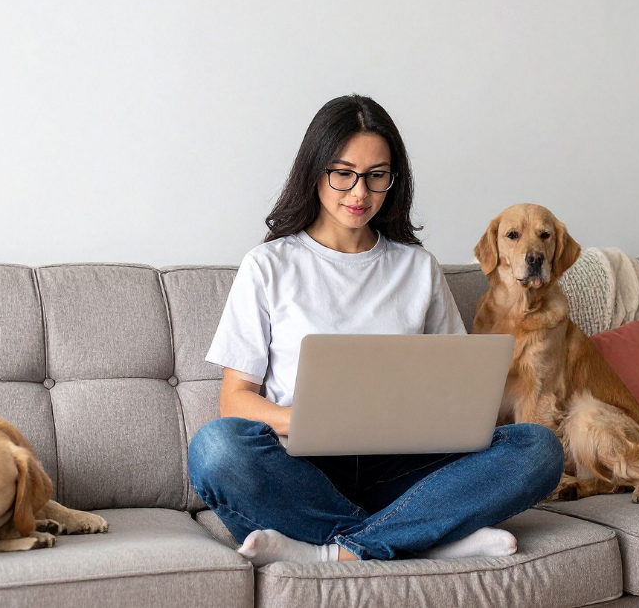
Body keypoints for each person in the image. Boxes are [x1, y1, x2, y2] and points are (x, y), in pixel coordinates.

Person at [187, 94, 562, 566]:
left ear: (393, 179)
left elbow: (460, 390)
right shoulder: (268, 265)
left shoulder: (417, 268)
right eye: (343, 173)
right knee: (215, 449)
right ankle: (426, 538)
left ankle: (332, 551)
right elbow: (234, 400)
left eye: (376, 176)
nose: (359, 193)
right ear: (315, 172)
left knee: (538, 448)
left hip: (404, 469)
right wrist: (311, 421)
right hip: (303, 470)